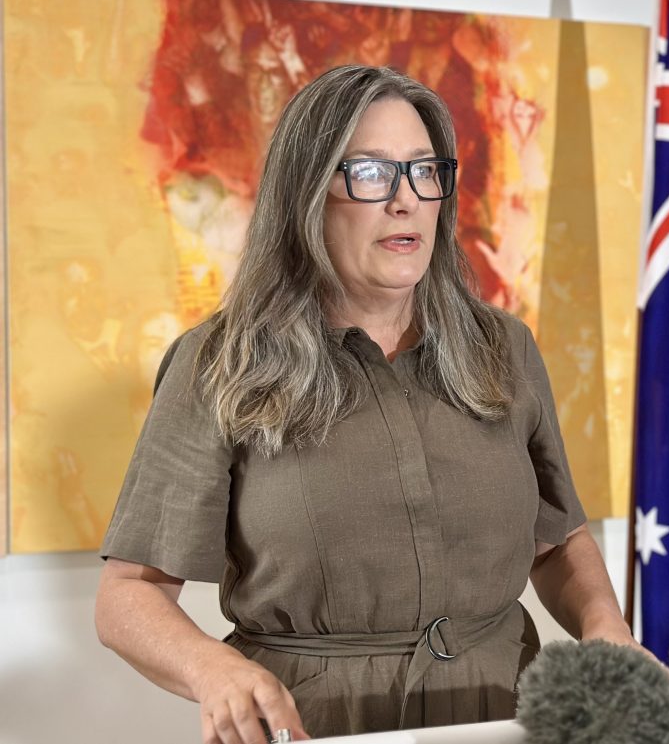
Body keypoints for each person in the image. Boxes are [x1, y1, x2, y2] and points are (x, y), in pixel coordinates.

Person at [95, 65, 639, 743]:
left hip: (504, 716)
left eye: (423, 171)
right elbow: (127, 596)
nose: (405, 200)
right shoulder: (219, 362)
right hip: (313, 726)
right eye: (371, 174)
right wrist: (213, 667)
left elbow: (559, 539)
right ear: (307, 195)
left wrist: (605, 628)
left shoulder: (506, 347)